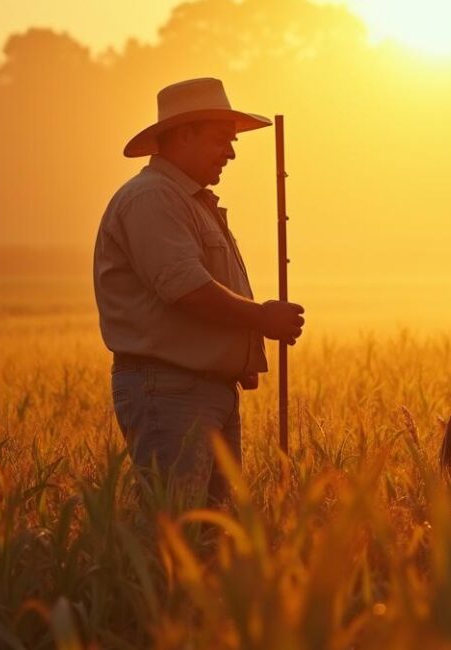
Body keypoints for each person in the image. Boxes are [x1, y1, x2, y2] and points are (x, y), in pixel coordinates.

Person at [93, 77, 304, 504]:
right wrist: (261, 319)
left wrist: (238, 351)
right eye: (221, 140)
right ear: (184, 135)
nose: (231, 153)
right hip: (170, 391)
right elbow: (187, 289)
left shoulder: (189, 201)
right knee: (177, 528)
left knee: (215, 532)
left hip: (202, 390)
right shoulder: (152, 199)